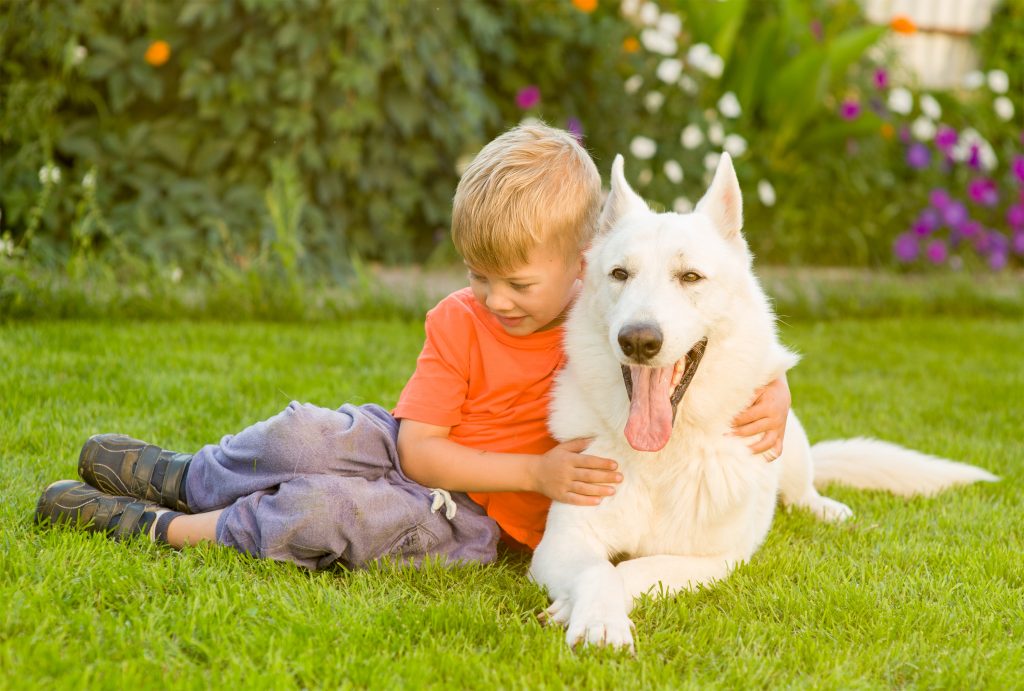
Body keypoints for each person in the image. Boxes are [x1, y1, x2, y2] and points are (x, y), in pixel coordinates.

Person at [35, 123, 792, 569]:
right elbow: (420, 447)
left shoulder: (602, 323)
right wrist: (534, 465)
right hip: (420, 451)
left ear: (584, 266)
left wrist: (773, 390)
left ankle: (172, 528)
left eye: (517, 284)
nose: (493, 298)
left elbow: (711, 352)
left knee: (328, 508)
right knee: (305, 430)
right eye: (477, 275)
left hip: (473, 520)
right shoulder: (460, 319)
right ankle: (187, 474)